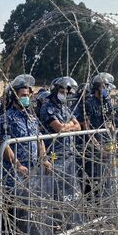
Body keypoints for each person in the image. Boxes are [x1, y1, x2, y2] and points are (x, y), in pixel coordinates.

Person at [0, 74, 51, 235]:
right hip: (14, 174)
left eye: (28, 95)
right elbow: (5, 144)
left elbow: (39, 139)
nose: (27, 98)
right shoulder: (7, 118)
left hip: (32, 171)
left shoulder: (31, 117)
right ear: (15, 97)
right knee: (13, 210)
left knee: (28, 209)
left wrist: (44, 158)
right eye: (23, 96)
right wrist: (17, 164)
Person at [39, 76, 81, 227]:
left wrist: (66, 126)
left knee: (70, 192)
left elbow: (78, 126)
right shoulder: (47, 107)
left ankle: (69, 221)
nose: (64, 94)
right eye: (61, 91)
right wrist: (67, 126)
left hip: (68, 154)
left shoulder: (65, 107)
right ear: (55, 91)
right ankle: (56, 223)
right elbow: (58, 128)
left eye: (66, 92)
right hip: (54, 154)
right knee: (56, 192)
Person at [74, 73, 114, 204]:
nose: (106, 89)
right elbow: (87, 128)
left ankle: (100, 207)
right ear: (97, 87)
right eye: (104, 86)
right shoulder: (88, 103)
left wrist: (112, 143)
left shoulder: (106, 103)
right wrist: (98, 147)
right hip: (89, 147)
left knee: (104, 178)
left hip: (104, 145)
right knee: (92, 178)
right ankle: (90, 207)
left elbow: (109, 123)